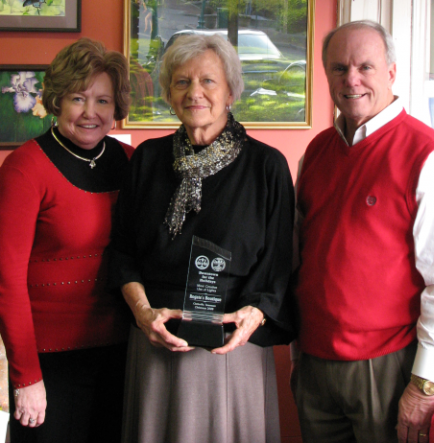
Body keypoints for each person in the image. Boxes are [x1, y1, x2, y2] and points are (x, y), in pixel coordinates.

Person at [291, 20, 434, 443]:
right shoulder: (317, 151)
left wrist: (424, 383)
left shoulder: (432, 157)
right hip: (314, 364)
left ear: (392, 71)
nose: (351, 79)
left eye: (365, 67)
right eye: (339, 68)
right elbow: (301, 255)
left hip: (387, 369)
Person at [108, 34, 295, 443]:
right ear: (168, 94)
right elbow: (122, 252)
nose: (195, 92)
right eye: (181, 82)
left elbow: (280, 265)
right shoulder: (146, 159)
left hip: (232, 349)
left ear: (231, 90)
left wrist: (253, 318)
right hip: (155, 342)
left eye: (208, 81)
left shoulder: (267, 166)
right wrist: (143, 313)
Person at [0, 38, 134, 443]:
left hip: (122, 355)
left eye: (103, 101)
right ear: (57, 101)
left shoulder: (130, 163)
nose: (91, 113)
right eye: (78, 98)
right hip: (48, 363)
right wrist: (25, 377)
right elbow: (6, 283)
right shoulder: (24, 169)